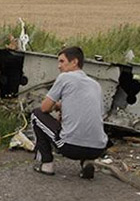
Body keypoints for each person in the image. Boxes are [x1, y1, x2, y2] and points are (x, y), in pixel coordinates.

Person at [30, 46, 109, 179]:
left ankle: (46, 164)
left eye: (62, 61)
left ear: (74, 62)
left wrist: (56, 105)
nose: (59, 66)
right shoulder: (95, 85)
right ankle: (87, 162)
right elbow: (95, 113)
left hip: (70, 147)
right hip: (98, 148)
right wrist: (62, 106)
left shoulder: (64, 78)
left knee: (36, 115)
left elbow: (45, 108)